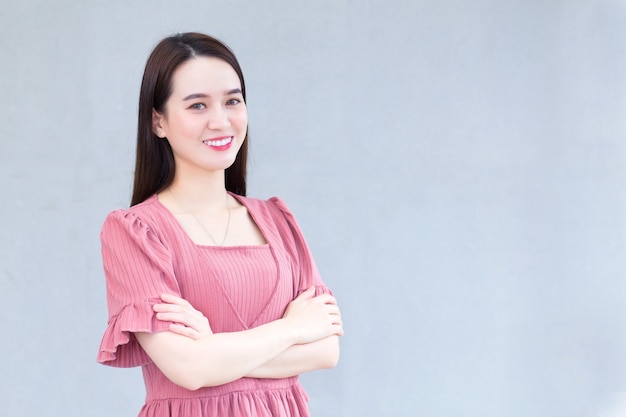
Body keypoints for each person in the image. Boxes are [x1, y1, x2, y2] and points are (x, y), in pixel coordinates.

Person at [96, 32, 343, 417]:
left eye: (233, 101)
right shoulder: (135, 231)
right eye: (197, 105)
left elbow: (327, 349)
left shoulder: (278, 221)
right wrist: (291, 331)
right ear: (158, 121)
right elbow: (189, 369)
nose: (220, 120)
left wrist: (214, 349)